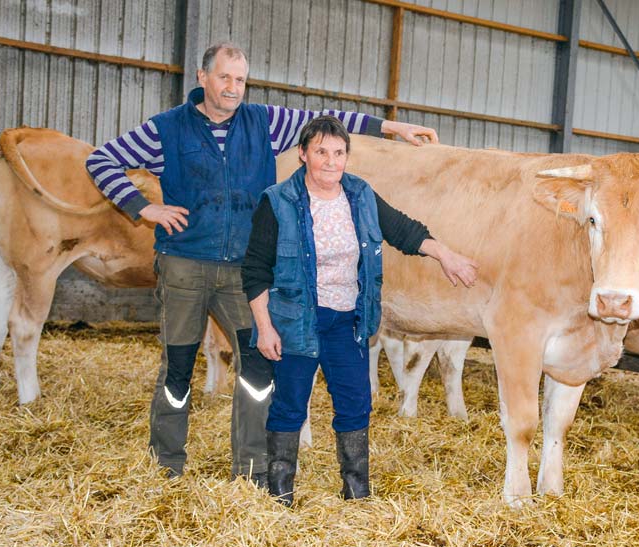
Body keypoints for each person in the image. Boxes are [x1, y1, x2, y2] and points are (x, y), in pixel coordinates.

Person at [85, 42, 439, 484]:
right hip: (184, 266)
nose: (233, 87)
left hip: (245, 273)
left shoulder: (264, 123)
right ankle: (167, 466)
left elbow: (329, 121)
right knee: (178, 366)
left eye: (240, 79)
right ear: (203, 77)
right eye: (224, 77)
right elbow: (100, 160)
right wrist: (144, 207)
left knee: (257, 368)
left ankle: (251, 470)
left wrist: (391, 126)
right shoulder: (166, 129)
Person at [243, 116, 478, 506]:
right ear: (303, 155)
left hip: (346, 320)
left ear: (347, 157)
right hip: (296, 320)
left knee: (354, 403)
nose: (331, 161)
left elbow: (403, 230)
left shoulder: (360, 195)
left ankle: (356, 494)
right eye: (321, 152)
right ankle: (279, 493)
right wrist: (265, 327)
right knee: (290, 404)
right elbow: (254, 270)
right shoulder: (277, 201)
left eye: (338, 153)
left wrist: (446, 255)